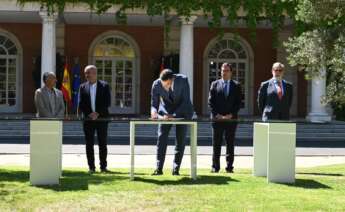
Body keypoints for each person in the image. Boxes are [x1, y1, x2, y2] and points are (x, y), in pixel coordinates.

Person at [150, 69, 194, 176]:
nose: (165, 87)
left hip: (183, 112)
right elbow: (154, 103)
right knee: (161, 139)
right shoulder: (156, 84)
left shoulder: (183, 80)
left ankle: (176, 169)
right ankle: (158, 168)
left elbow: (186, 101)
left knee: (180, 140)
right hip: (165, 113)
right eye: (163, 85)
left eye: (167, 85)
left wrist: (173, 115)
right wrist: (154, 112)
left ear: (172, 79)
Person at [208, 63, 242, 173]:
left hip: (231, 119)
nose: (224, 72)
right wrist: (217, 115)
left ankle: (229, 167)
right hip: (217, 119)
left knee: (230, 144)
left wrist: (231, 115)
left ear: (231, 72)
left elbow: (238, 103)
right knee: (216, 144)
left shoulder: (236, 85)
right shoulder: (214, 84)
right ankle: (215, 167)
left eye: (227, 70)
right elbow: (210, 102)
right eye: (222, 70)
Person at [78, 65, 111, 174]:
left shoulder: (105, 86)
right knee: (89, 144)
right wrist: (89, 114)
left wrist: (97, 113)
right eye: (86, 73)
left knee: (102, 143)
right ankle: (91, 167)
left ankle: (103, 167)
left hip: (102, 119)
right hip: (88, 120)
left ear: (95, 73)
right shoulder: (82, 87)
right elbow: (81, 104)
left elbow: (107, 102)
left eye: (89, 73)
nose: (87, 75)